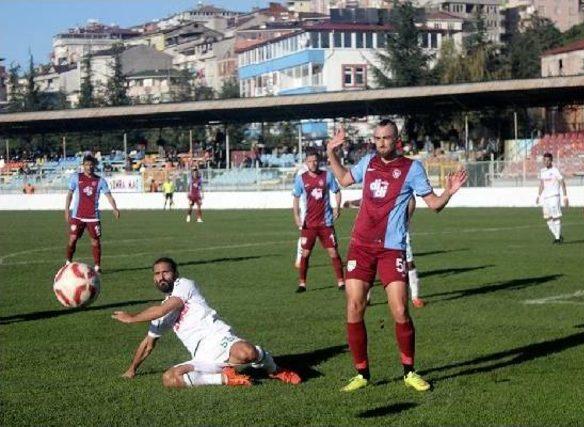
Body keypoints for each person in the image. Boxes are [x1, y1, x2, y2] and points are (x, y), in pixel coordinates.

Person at [326, 120, 467, 392]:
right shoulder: (367, 162)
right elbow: (344, 179)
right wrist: (331, 152)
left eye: (386, 138)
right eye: (377, 138)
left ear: (397, 139)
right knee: (355, 307)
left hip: (392, 248)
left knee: (400, 310)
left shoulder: (412, 168)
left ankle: (409, 371)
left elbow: (434, 205)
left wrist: (448, 192)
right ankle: (362, 373)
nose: (381, 143)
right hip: (361, 246)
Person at [113, 257, 302, 388]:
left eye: (166, 272)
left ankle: (275, 370)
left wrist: (131, 318)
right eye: (157, 274)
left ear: (175, 273)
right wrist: (131, 370)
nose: (161, 277)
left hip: (219, 338)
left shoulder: (184, 285)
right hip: (202, 356)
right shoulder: (160, 315)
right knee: (169, 379)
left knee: (248, 353)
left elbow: (164, 308)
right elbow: (148, 344)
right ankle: (226, 378)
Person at [292, 151, 345, 292]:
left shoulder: (327, 176)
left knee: (333, 252)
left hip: (326, 223)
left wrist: (337, 208)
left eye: (315, 161)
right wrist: (296, 215)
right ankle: (302, 284)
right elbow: (296, 198)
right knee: (305, 254)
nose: (313, 163)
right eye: (310, 161)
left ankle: (341, 282)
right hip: (308, 224)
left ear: (319, 161)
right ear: (306, 163)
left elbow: (337, 191)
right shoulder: (301, 179)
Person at [64, 154, 120, 273]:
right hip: (77, 215)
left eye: (91, 165)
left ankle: (97, 267)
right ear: (83, 166)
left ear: (94, 166)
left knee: (95, 241)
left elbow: (109, 196)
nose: (89, 167)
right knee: (72, 239)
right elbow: (69, 194)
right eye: (86, 165)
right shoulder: (76, 177)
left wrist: (115, 208)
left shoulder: (100, 181)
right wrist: (66, 210)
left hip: (93, 217)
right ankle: (68, 262)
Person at [536, 153, 568, 243]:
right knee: (548, 218)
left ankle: (557, 239)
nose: (546, 162)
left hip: (554, 196)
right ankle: (557, 236)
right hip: (546, 198)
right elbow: (542, 184)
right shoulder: (542, 171)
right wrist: (538, 196)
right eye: (544, 160)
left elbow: (562, 182)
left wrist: (565, 196)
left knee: (556, 217)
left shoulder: (555, 170)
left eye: (548, 160)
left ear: (551, 161)